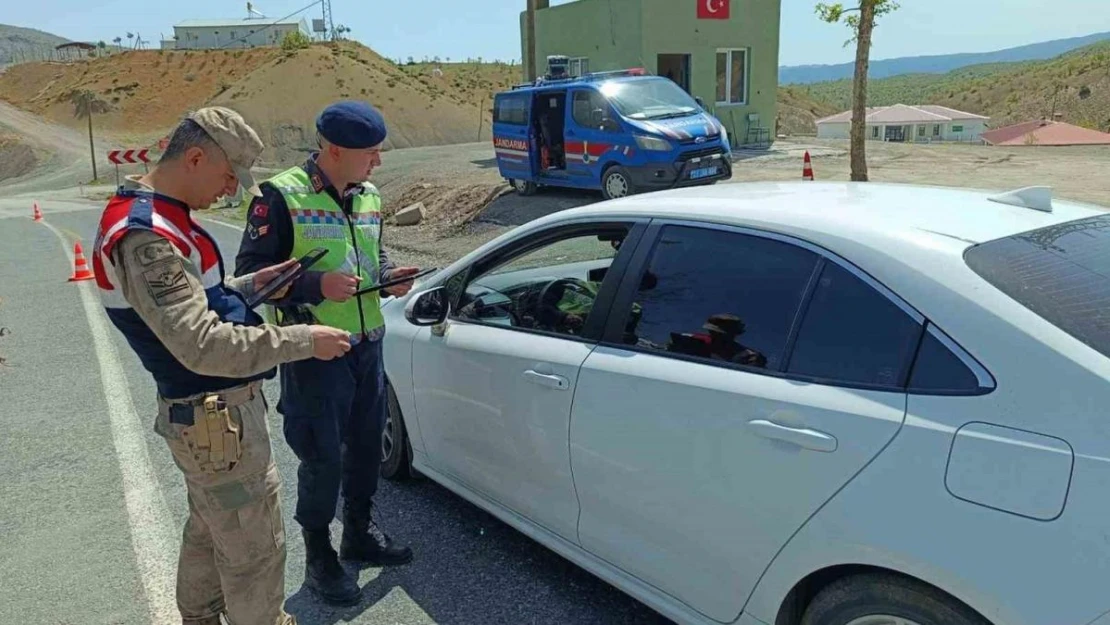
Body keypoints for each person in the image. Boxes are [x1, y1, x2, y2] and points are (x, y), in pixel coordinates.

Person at [92, 106, 353, 625]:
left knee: (212, 528)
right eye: (229, 176)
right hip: (215, 421)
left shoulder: (160, 216)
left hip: (210, 420)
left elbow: (198, 299)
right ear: (193, 158)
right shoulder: (147, 236)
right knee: (255, 552)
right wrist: (302, 339)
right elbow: (201, 343)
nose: (231, 192)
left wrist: (256, 285)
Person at [234, 100, 419, 607]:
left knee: (364, 452)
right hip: (314, 353)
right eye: (369, 153)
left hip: (366, 347)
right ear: (333, 150)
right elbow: (251, 280)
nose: (378, 163)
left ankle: (357, 534)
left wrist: (388, 277)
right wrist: (315, 284)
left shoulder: (370, 195)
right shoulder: (280, 196)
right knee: (321, 460)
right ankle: (320, 559)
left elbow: (369, 258)